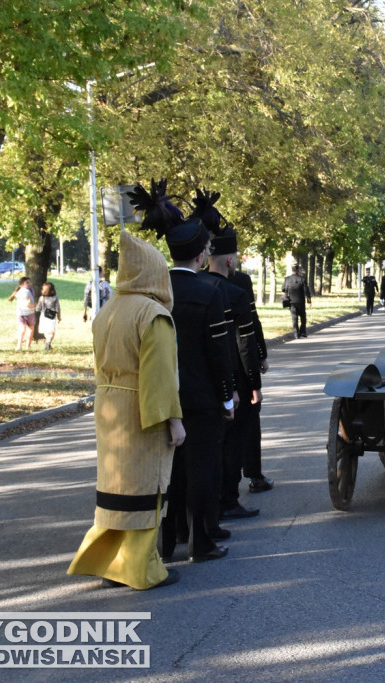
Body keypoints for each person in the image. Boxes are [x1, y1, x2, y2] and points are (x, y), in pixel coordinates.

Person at [67, 229, 185, 590]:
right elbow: (160, 376)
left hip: (109, 408)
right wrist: (173, 421)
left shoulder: (107, 312)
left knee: (115, 485)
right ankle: (141, 568)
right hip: (140, 410)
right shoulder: (153, 315)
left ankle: (108, 561)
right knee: (147, 486)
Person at [128, 179, 235, 564]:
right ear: (201, 255)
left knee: (169, 473)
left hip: (162, 395)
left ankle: (169, 541)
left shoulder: (153, 293)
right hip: (203, 396)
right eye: (207, 248)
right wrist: (227, 394)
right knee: (203, 470)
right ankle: (202, 541)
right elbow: (219, 353)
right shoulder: (211, 292)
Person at [204, 223, 266, 518]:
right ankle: (228, 499)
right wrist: (253, 383)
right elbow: (246, 342)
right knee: (235, 439)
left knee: (210, 442)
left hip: (202, 378)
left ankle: (210, 499)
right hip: (235, 376)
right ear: (229, 260)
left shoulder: (194, 286)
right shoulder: (235, 291)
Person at [282, 264, 311, 337]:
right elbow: (306, 290)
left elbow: (283, 289)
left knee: (294, 317)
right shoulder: (302, 279)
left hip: (291, 302)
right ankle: (303, 332)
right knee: (303, 317)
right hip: (301, 301)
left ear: (292, 270)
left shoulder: (287, 279)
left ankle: (296, 333)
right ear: (298, 270)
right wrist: (309, 301)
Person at [7, 276, 35, 351]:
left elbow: (14, 295)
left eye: (30, 282)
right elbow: (28, 304)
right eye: (27, 282)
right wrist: (36, 306)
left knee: (27, 330)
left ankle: (21, 346)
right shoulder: (26, 292)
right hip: (26, 313)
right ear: (22, 284)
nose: (29, 284)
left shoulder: (21, 291)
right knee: (25, 329)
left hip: (24, 313)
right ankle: (25, 346)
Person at [36, 282, 62, 351]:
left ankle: (48, 342)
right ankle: (48, 342)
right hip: (52, 316)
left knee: (46, 331)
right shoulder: (55, 298)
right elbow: (58, 308)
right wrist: (59, 317)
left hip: (43, 316)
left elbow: (38, 308)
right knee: (52, 331)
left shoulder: (42, 298)